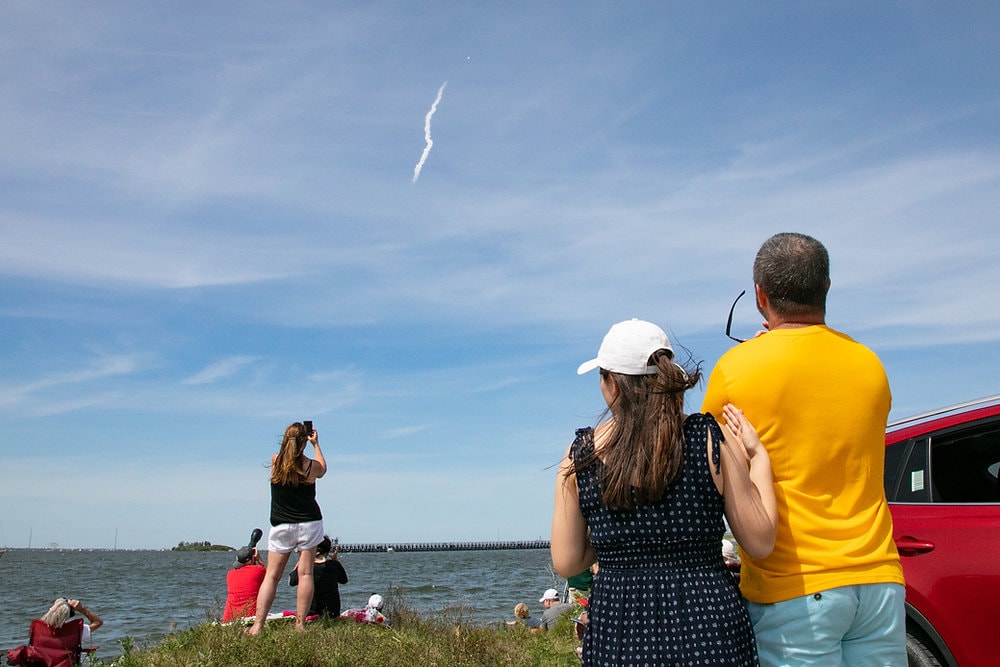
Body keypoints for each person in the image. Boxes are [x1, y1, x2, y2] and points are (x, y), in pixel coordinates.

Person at [702, 232, 906, 666]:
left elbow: (711, 467)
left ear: (760, 295)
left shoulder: (736, 369)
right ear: (826, 287)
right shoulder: (870, 365)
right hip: (879, 580)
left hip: (794, 587)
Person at [551, 318, 777, 665]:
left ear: (612, 383)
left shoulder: (581, 454)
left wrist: (620, 545)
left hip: (620, 629)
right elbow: (760, 542)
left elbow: (568, 562)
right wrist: (759, 459)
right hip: (709, 627)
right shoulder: (710, 439)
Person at [247, 421, 327, 634]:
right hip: (310, 523)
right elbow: (323, 469)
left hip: (282, 525)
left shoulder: (276, 461)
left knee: (272, 576)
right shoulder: (311, 466)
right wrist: (316, 444)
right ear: (304, 442)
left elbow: (287, 458)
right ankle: (300, 625)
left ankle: (258, 626)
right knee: (306, 574)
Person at [7, 598, 103, 667]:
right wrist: (82, 609)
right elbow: (98, 622)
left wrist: (58, 604)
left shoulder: (38, 629)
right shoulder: (74, 631)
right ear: (69, 615)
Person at [289, 535, 348, 618]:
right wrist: (335, 560)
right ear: (328, 550)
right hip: (333, 614)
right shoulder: (334, 565)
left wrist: (301, 559)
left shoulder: (307, 566)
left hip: (312, 613)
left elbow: (292, 581)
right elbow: (344, 580)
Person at [223, 529, 267, 622]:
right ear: (252, 559)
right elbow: (273, 576)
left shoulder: (230, 574)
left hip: (229, 618)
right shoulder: (258, 570)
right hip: (249, 617)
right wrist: (259, 560)